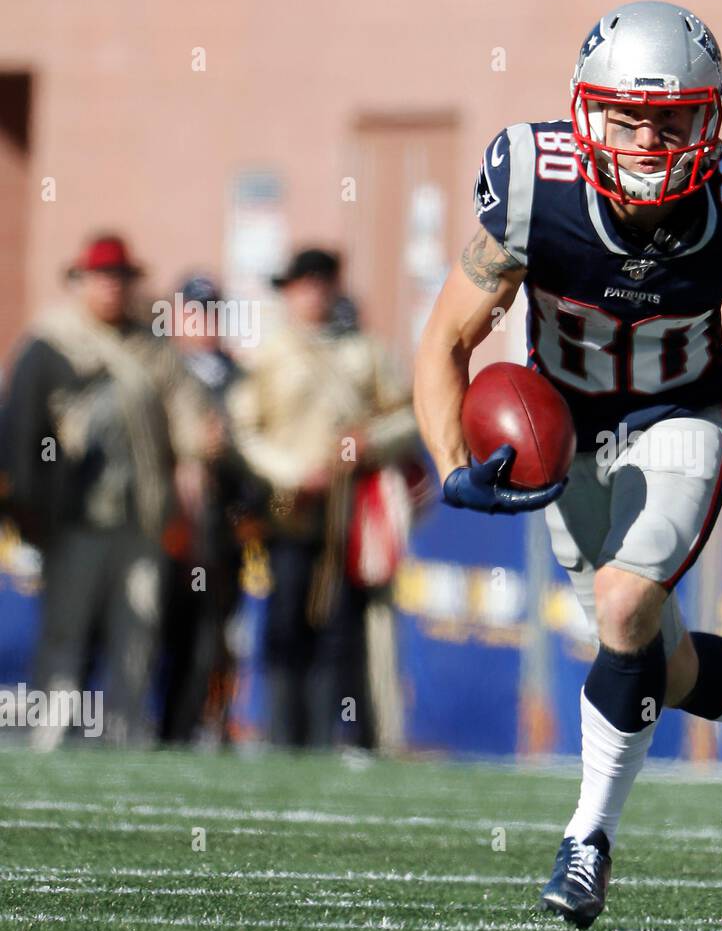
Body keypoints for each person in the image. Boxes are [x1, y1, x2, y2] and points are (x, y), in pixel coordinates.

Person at [414, 1, 722, 931]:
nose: (647, 141)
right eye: (628, 117)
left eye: (672, 120)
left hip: (684, 412)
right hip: (563, 425)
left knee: (625, 608)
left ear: (709, 120)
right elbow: (445, 339)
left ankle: (586, 840)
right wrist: (450, 463)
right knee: (659, 662)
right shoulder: (532, 186)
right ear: (584, 113)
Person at [0, 234, 211, 745]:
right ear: (81, 281)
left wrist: (200, 444)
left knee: (135, 639)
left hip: (141, 519)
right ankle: (46, 740)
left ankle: (124, 743)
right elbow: (20, 430)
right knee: (65, 635)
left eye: (119, 278)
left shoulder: (151, 347)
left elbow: (189, 418)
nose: (111, 288)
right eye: (101, 277)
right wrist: (26, 507)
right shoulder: (51, 344)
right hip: (76, 520)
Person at [226, 249, 419, 751]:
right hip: (290, 513)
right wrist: (294, 474)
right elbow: (246, 432)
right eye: (302, 285)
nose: (312, 295)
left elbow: (407, 416)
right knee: (286, 620)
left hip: (348, 514)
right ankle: (283, 736)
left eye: (321, 284)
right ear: (288, 292)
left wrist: (366, 442)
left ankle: (334, 737)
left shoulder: (367, 351)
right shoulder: (269, 354)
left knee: (341, 628)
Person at [156, 274, 263, 744]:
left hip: (220, 530)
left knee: (212, 636)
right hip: (165, 527)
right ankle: (156, 727)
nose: (204, 322)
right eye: (195, 311)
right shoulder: (159, 369)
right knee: (159, 632)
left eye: (213, 311)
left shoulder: (241, 379)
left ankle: (205, 725)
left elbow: (260, 455)